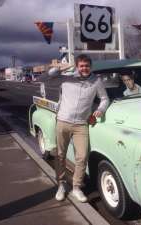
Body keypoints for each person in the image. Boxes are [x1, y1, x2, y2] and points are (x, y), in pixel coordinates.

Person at [55, 54, 109, 202]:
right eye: (81, 66)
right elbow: (46, 79)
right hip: (63, 122)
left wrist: (100, 110)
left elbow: (104, 98)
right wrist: (59, 68)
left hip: (81, 124)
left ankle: (76, 187)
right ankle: (61, 185)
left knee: (82, 156)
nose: (84, 68)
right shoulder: (66, 78)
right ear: (77, 67)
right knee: (60, 155)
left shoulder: (96, 81)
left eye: (87, 66)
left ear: (90, 66)